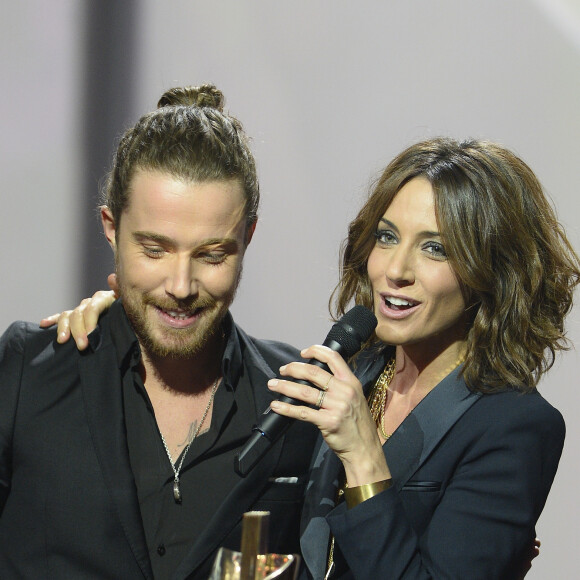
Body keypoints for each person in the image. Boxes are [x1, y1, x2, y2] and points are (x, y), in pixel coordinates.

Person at [45, 138, 579, 579]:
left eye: (435, 248)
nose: (396, 269)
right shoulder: (355, 373)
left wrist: (366, 463)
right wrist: (128, 314)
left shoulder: (514, 426)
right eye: (388, 238)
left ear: (490, 271)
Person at [0, 84, 318, 579]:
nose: (180, 285)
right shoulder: (28, 372)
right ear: (111, 227)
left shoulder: (296, 400)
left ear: (247, 237)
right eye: (154, 250)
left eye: (212, 255)